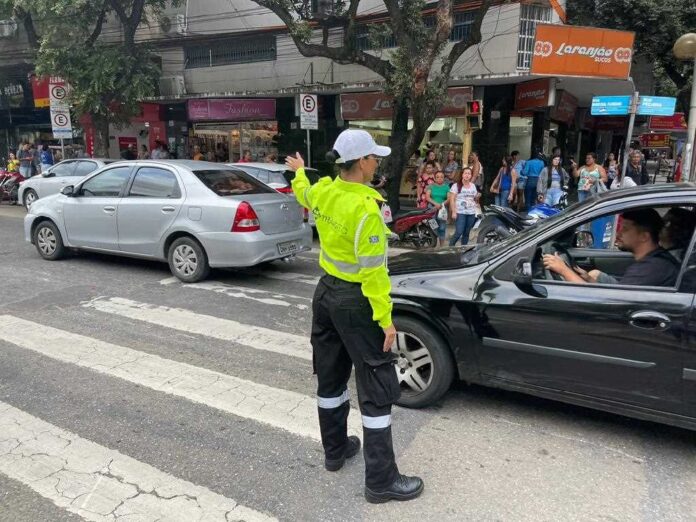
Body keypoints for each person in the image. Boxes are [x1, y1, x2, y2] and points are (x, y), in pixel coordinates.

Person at [285, 129, 424, 504]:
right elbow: (373, 273)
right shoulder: (366, 207)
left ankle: (335, 451)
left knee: (330, 377)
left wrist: (299, 171)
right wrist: (386, 320)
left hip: (326, 294)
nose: (377, 162)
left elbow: (304, 192)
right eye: (374, 157)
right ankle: (381, 481)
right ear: (361, 162)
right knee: (377, 387)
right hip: (355, 300)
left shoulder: (326, 191)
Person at [543, 208, 680, 287]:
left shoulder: (651, 269)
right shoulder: (653, 262)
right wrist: (589, 279)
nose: (618, 233)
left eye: (625, 229)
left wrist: (563, 270)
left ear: (644, 236)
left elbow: (606, 302)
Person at [448, 167, 479, 246]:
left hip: (471, 212)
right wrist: (454, 211)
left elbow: (475, 198)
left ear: (471, 175)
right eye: (465, 173)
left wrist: (478, 197)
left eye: (469, 173)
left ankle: (463, 249)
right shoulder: (456, 185)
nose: (467, 175)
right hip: (460, 212)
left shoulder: (473, 186)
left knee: (466, 233)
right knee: (459, 232)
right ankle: (450, 248)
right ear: (462, 174)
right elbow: (452, 199)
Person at [426, 171, 450, 247]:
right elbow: (427, 197)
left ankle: (441, 246)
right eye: (437, 177)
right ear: (435, 178)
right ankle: (433, 242)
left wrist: (441, 204)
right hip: (432, 208)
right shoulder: (431, 186)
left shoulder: (446, 187)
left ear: (444, 178)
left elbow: (449, 198)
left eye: (441, 177)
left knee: (442, 227)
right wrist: (436, 204)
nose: (439, 178)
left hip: (442, 209)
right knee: (433, 225)